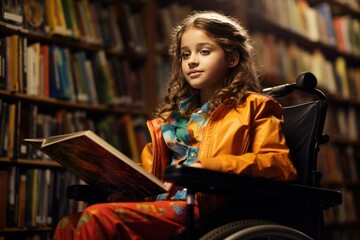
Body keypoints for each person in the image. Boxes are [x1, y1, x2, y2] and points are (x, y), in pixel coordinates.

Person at [52, 10, 298, 240]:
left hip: (203, 206)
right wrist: (115, 179)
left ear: (232, 58)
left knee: (97, 219)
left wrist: (208, 166)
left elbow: (279, 165)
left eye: (204, 51)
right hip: (161, 201)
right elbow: (152, 172)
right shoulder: (172, 119)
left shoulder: (255, 107)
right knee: (69, 223)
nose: (191, 61)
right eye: (185, 54)